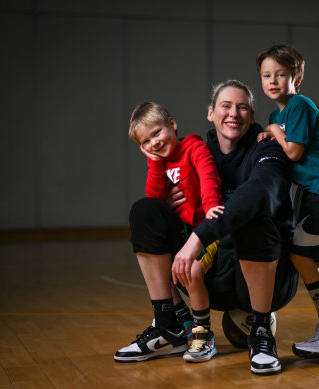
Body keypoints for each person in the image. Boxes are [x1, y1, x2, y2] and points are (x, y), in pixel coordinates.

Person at [172, 80, 297, 375]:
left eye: (242, 107)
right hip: (213, 279)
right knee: (149, 211)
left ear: (251, 116)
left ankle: (262, 331)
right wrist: (169, 200)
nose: (234, 113)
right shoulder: (196, 154)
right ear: (211, 113)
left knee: (251, 215)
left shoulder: (268, 148)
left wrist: (199, 236)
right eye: (226, 106)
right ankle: (170, 318)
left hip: (271, 275)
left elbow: (261, 192)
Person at [255, 43, 319, 359]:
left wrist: (272, 131)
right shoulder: (278, 112)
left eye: (280, 74)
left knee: (300, 256)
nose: (272, 81)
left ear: (296, 78)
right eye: (266, 75)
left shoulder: (298, 105)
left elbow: (294, 152)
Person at [115, 102, 223, 363]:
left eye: (157, 133)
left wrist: (210, 210)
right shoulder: (160, 163)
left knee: (192, 271)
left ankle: (202, 334)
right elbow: (154, 200)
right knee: (148, 221)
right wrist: (153, 164)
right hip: (182, 232)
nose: (154, 142)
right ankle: (177, 325)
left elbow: (209, 178)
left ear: (172, 124)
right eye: (146, 141)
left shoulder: (194, 148)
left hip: (203, 231)